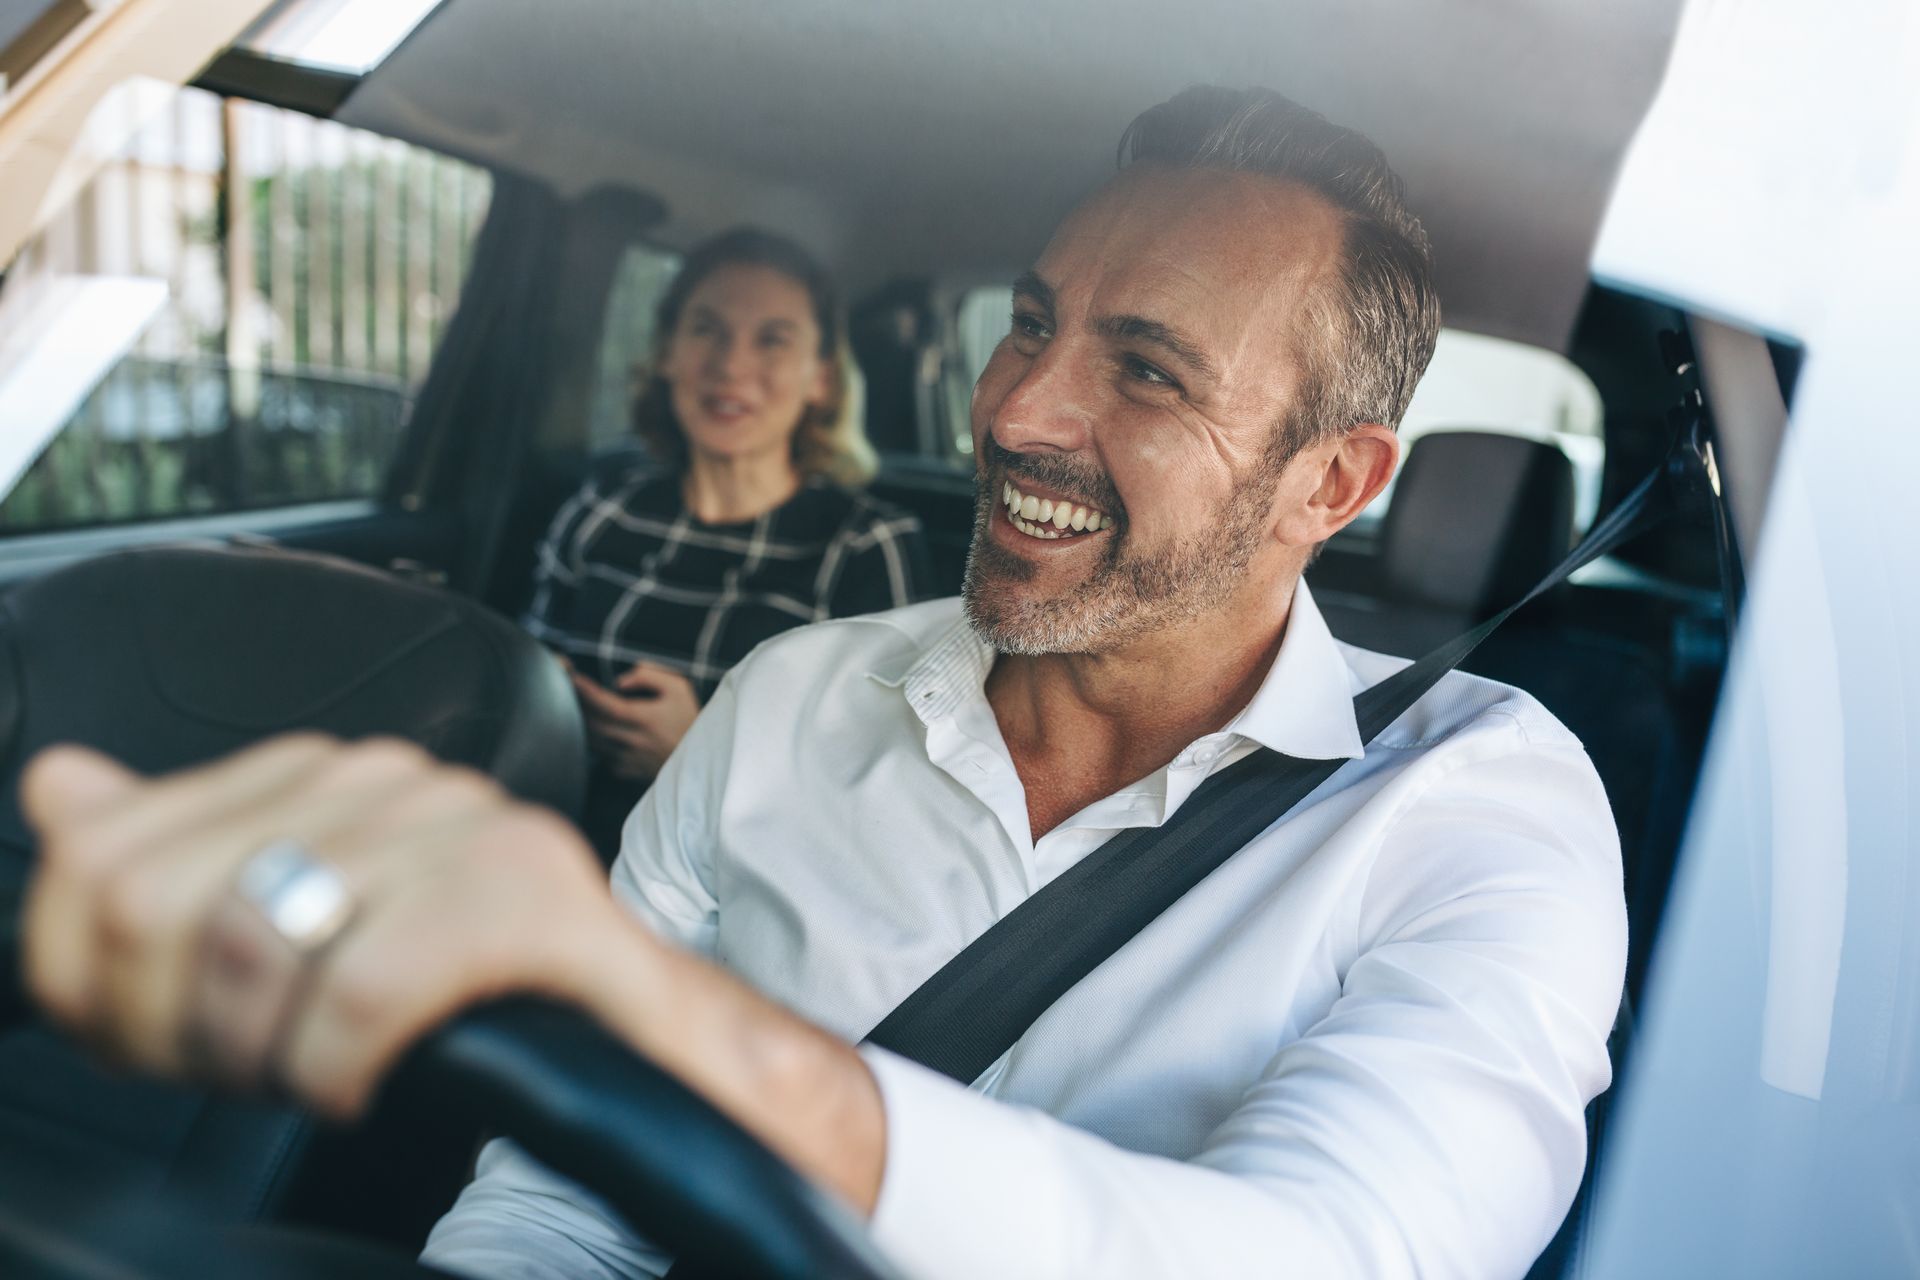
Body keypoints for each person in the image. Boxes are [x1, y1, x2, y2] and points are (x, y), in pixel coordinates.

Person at [19, 87, 1625, 1279]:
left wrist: (671, 1029)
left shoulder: (1472, 807)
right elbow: (553, 1200)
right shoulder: (790, 700)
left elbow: (1332, 1256)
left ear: (1330, 485)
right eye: (1030, 325)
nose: (1017, 413)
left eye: (1143, 368)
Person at [525, 227, 932, 854]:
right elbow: (530, 659)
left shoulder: (865, 545)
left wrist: (700, 754)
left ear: (820, 378)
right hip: (550, 842)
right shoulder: (604, 507)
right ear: (667, 355)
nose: (731, 365)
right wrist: (548, 692)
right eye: (706, 330)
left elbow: (880, 790)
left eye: (772, 339)